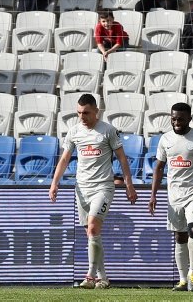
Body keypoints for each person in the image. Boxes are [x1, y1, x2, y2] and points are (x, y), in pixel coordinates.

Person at [49, 93, 137, 289]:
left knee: (93, 229)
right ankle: (103, 278)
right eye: (79, 113)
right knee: (92, 235)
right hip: (81, 188)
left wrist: (129, 185)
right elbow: (64, 159)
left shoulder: (108, 131)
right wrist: (55, 183)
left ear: (96, 111)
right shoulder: (73, 132)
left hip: (103, 187)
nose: (82, 117)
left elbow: (122, 158)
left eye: (86, 113)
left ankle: (89, 276)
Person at [148, 102, 193, 292]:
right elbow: (159, 168)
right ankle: (182, 279)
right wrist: (153, 195)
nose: (176, 122)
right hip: (174, 195)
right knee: (180, 236)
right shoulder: (165, 139)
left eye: (180, 119)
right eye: (174, 118)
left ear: (189, 119)